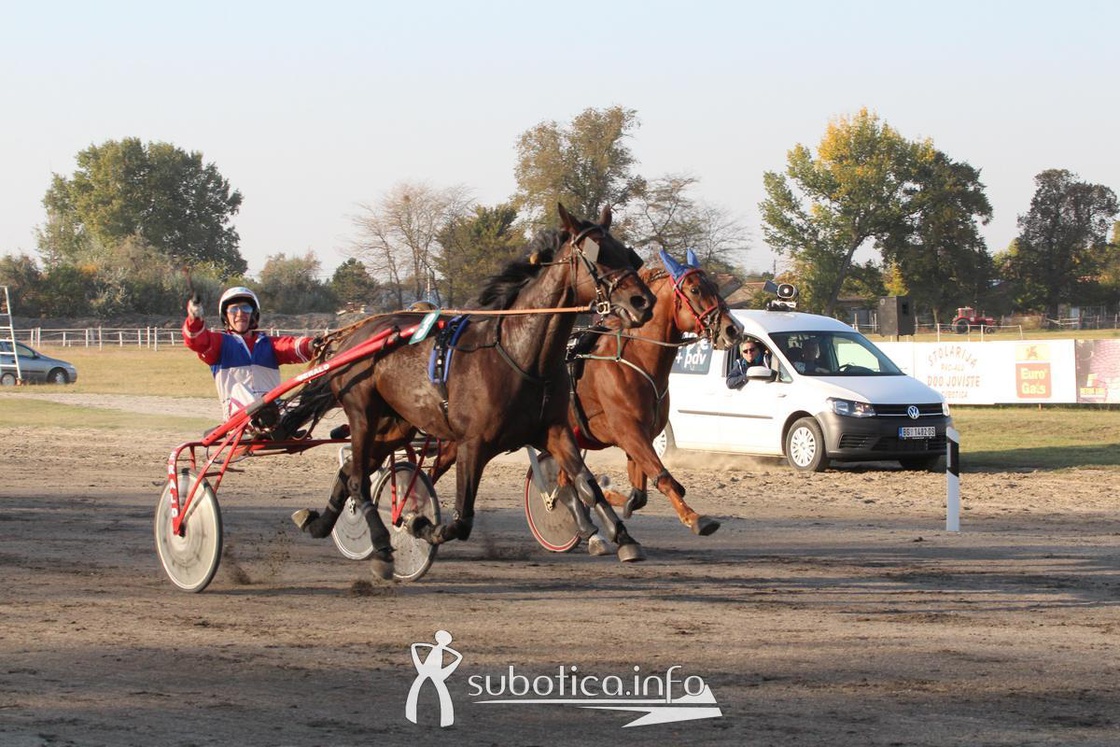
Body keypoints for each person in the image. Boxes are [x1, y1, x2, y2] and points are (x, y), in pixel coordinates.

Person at [182, 286, 320, 419]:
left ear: (254, 314)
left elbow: (290, 346)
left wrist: (312, 345)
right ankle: (264, 417)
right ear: (225, 315)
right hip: (239, 420)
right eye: (234, 309)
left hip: (274, 412)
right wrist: (195, 319)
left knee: (313, 394)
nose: (240, 313)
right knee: (239, 389)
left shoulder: (268, 344)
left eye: (246, 308)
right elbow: (196, 339)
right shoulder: (219, 343)